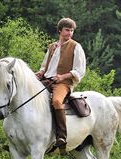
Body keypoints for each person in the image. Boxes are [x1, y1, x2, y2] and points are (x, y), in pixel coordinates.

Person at [35, 17, 86, 150]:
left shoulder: (76, 47)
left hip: (63, 84)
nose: (70, 33)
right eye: (67, 30)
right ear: (59, 30)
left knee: (57, 101)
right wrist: (40, 73)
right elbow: (45, 65)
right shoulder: (52, 46)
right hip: (47, 80)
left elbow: (79, 70)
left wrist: (62, 77)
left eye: (72, 31)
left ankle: (62, 136)